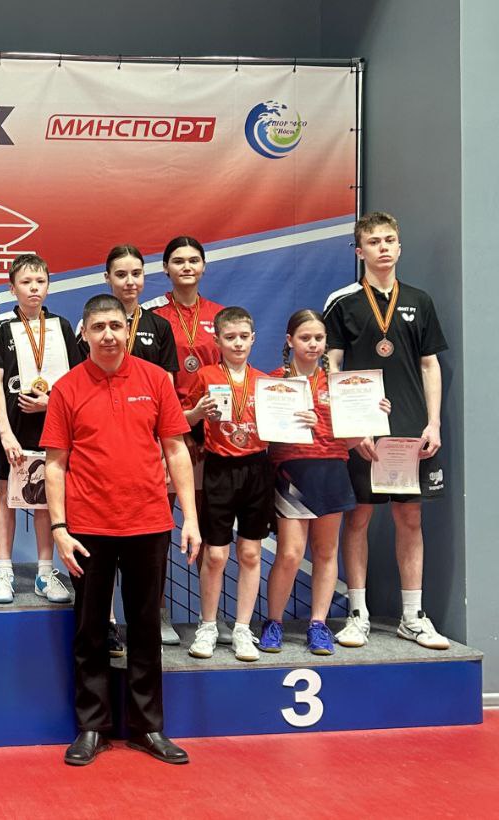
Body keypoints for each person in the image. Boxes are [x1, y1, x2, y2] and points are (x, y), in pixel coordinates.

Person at [43, 294, 199, 767]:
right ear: (85, 333)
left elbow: (176, 450)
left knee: (146, 627)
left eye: (116, 325)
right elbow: (55, 464)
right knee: (90, 629)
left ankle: (148, 727)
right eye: (99, 327)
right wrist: (59, 527)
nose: (109, 335)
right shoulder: (66, 388)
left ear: (127, 330)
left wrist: (190, 517)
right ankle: (92, 727)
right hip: (87, 527)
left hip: (148, 522)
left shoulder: (155, 380)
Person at [323, 211, 449, 649]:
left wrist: (433, 422)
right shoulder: (342, 302)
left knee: (410, 517)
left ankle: (412, 616)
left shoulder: (420, 300)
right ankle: (357, 613)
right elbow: (331, 364)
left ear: (399, 247)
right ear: (360, 251)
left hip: (411, 429)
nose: (383, 247)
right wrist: (350, 425)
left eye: (389, 240)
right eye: (374, 241)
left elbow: (429, 365)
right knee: (358, 517)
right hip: (363, 430)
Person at [261, 309, 391, 654]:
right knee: (290, 553)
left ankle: (318, 625)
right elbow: (264, 436)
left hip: (332, 471)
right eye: (305, 338)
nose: (313, 344)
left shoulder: (341, 386)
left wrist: (372, 416)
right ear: (290, 341)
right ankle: (273, 622)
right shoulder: (273, 382)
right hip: (292, 473)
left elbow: (349, 442)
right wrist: (293, 422)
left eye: (319, 338)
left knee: (325, 551)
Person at [85, 245, 180, 654]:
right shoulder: (89, 326)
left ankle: (155, 613)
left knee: (150, 544)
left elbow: (168, 392)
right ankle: (106, 621)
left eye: (136, 273)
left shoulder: (159, 326)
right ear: (107, 278)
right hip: (101, 458)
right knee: (101, 548)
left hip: (147, 455)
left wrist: (163, 450)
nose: (129, 281)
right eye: (121, 274)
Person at [142, 236, 227, 646]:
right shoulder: (152, 315)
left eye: (194, 260)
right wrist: (174, 427)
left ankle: (209, 618)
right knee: (159, 528)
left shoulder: (219, 315)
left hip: (211, 435)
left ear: (204, 266)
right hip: (166, 433)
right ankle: (157, 613)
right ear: (166, 268)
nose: (187, 266)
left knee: (209, 528)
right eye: (178, 261)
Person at [0, 253, 77, 605]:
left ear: (48, 286)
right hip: (13, 427)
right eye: (25, 282)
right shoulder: (1, 327)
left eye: (40, 281)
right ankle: (4, 571)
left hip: (52, 426)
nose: (33, 288)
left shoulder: (62, 327)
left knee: (45, 497)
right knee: (6, 494)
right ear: (13, 288)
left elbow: (76, 382)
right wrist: (5, 432)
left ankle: (44, 572)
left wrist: (50, 404)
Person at [184, 306, 273, 663]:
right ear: (217, 340)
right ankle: (208, 625)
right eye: (230, 337)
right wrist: (197, 414)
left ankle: (242, 629)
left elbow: (281, 426)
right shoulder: (205, 376)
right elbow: (183, 421)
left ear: (253, 339)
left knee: (250, 553)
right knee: (216, 554)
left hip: (257, 469)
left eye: (243, 337)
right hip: (219, 469)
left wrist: (300, 419)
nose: (237, 343)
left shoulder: (265, 382)